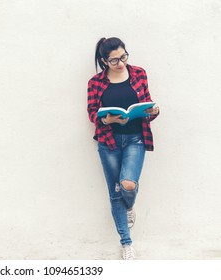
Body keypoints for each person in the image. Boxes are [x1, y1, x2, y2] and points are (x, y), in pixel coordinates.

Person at [87, 37, 159, 260]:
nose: (121, 63)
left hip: (135, 138)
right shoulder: (95, 82)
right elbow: (92, 112)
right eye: (114, 60)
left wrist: (153, 111)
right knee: (115, 193)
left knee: (128, 184)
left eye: (124, 57)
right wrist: (109, 121)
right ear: (103, 61)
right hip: (108, 142)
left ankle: (130, 204)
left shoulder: (139, 73)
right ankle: (126, 243)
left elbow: (146, 102)